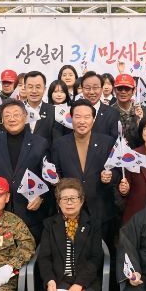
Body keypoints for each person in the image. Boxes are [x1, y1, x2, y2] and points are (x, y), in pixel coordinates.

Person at [0, 100, 50, 241]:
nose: (12, 119)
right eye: (7, 115)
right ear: (2, 120)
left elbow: (49, 177)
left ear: (25, 116)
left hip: (30, 213)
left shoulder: (40, 143)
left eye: (16, 114)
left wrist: (42, 197)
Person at [51, 100, 120, 241]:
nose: (82, 121)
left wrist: (111, 176)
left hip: (101, 209)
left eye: (87, 117)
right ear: (71, 118)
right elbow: (56, 173)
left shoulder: (107, 142)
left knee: (103, 254)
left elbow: (118, 172)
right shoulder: (59, 144)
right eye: (78, 116)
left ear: (93, 119)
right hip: (71, 210)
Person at [23, 70, 62, 147]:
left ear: (44, 89)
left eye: (38, 87)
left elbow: (57, 143)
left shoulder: (53, 111)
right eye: (30, 87)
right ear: (25, 88)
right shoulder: (17, 110)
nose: (34, 91)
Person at [80, 71, 120, 139]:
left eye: (95, 88)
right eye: (87, 88)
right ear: (82, 89)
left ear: (101, 89)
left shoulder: (112, 113)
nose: (92, 92)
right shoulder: (74, 111)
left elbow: (114, 140)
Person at [113, 73, 141, 147]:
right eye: (120, 88)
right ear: (114, 90)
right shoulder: (109, 112)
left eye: (127, 88)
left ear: (133, 90)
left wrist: (139, 121)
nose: (123, 92)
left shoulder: (141, 111)